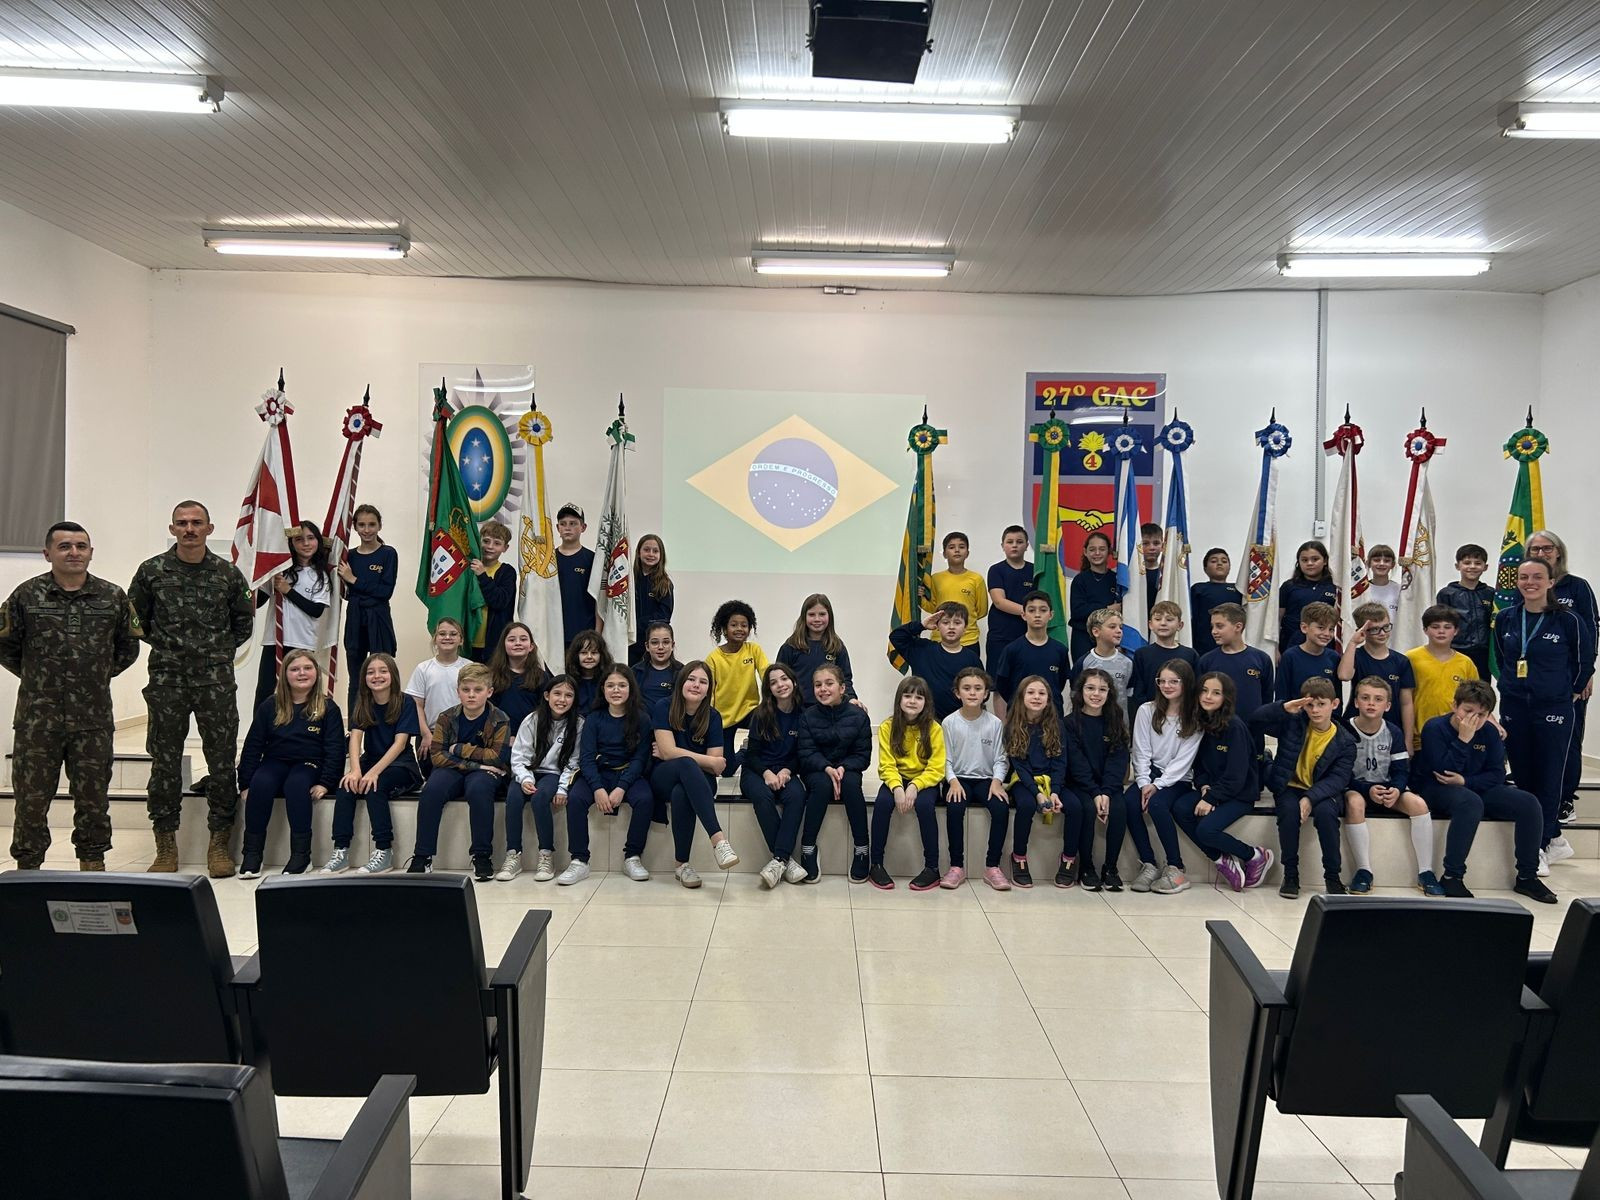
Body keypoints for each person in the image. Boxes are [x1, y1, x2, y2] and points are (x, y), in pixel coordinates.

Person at [1, 521, 140, 871]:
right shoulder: (26, 596)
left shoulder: (112, 597)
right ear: (48, 554)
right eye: (64, 546)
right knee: (31, 802)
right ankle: (28, 872)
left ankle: (92, 867)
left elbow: (127, 649)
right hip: (37, 721)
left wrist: (93, 677)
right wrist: (38, 677)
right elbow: (5, 646)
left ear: (91, 553)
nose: (74, 552)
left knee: (93, 801)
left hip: (92, 720)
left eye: (81, 546)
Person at [130, 500, 255, 876]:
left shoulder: (227, 574)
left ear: (209, 528)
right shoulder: (151, 571)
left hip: (215, 681)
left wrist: (213, 652)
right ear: (172, 529)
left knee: (221, 763)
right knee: (164, 763)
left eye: (196, 522)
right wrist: (172, 647)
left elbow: (243, 623)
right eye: (182, 523)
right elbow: (136, 620)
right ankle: (165, 846)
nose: (189, 529)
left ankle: (219, 845)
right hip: (167, 680)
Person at [1412, 680, 1553, 903]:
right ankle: (1452, 876)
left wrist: (1466, 780)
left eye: (1481, 714)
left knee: (1529, 803)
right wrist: (1463, 739)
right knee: (1470, 803)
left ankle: (1527, 876)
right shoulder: (1435, 728)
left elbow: (1497, 774)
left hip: (1473, 785)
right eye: (1467, 711)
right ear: (1454, 706)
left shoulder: (1489, 732)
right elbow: (1443, 771)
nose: (1473, 719)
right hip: (1435, 787)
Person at [1492, 554, 1585, 874]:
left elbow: (1583, 661)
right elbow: (1502, 657)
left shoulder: (1568, 620)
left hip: (1553, 707)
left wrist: (1569, 691)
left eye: (1536, 577)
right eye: (1524, 577)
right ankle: (1551, 836)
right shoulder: (1506, 618)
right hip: (1515, 705)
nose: (1529, 583)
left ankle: (1541, 844)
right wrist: (1511, 686)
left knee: (1549, 775)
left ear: (1551, 582)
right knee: (1523, 774)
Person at [237, 649, 344, 878]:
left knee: (296, 785)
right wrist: (245, 782)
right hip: (275, 761)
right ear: (284, 674)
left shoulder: (328, 708)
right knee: (261, 783)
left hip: (309, 764)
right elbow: (253, 745)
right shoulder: (270, 705)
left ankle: (301, 856)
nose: (301, 673)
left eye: (307, 668)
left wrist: (326, 782)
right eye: (295, 669)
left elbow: (335, 749)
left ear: (316, 673)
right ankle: (252, 854)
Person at [1250, 678, 1355, 899]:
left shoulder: (1345, 741)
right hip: (1288, 785)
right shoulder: (1293, 722)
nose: (1315, 710)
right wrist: (1283, 708)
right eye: (1310, 705)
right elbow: (1255, 720)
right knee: (1288, 813)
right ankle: (1290, 875)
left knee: (1327, 815)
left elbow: (1338, 778)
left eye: (1321, 704)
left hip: (1322, 790)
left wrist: (1309, 798)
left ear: (1334, 704)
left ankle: (1333, 877)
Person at [407, 662, 510, 880]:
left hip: (483, 773)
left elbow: (497, 757)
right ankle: (422, 856)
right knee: (432, 790)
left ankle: (482, 856)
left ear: (489, 692)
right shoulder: (446, 717)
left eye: (478, 690)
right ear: (458, 691)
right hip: (457, 768)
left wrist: (459, 749)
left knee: (479, 790)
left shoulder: (500, 718)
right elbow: (437, 756)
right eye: (466, 689)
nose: (471, 695)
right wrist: (477, 764)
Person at [322, 652, 421, 875]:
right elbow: (355, 738)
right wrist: (355, 770)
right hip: (371, 760)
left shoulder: (405, 702)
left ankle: (384, 851)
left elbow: (399, 744)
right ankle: (340, 850)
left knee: (375, 786)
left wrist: (373, 773)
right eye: (370, 672)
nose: (377, 676)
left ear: (393, 675)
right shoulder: (363, 701)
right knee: (345, 786)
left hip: (401, 765)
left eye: (383, 671)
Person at [1175, 672, 1274, 893]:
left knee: (1206, 830)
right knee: (1180, 807)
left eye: (1216, 693)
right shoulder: (1201, 722)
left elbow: (1236, 776)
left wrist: (1211, 798)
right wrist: (1204, 786)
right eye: (1204, 691)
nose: (1208, 696)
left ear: (1226, 697)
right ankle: (1220, 858)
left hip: (1239, 795)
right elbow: (1198, 765)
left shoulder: (1235, 727)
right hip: (1213, 789)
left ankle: (1254, 855)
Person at [1341, 676, 1441, 896]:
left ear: (1387, 706)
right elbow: (1340, 774)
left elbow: (1401, 770)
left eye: (1378, 699)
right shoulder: (1344, 730)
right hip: (1357, 789)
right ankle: (1364, 871)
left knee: (1418, 804)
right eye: (1365, 698)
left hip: (1387, 789)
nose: (1371, 703)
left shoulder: (1393, 731)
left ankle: (1426, 872)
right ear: (1356, 702)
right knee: (1354, 803)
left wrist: (1396, 789)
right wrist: (1366, 790)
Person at [1526, 530, 1598, 825]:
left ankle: (1565, 798)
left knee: (1567, 741)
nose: (1541, 553)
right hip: (1531, 680)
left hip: (1569, 680)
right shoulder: (1526, 585)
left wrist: (1587, 674)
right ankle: (1534, 792)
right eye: (1535, 549)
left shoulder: (1577, 586)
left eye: (1547, 548)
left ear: (1558, 552)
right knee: (1530, 736)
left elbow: (1591, 631)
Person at [655, 660, 740, 888]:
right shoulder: (664, 706)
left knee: (682, 791)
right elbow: (670, 753)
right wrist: (707, 760)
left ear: (708, 689)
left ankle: (681, 865)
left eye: (703, 682)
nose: (696, 685)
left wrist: (675, 753)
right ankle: (718, 840)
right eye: (691, 679)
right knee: (686, 765)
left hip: (700, 781)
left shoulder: (713, 716)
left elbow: (717, 768)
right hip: (664, 775)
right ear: (681, 682)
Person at [1124, 660, 1201, 895]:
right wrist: (1144, 782)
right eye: (1162, 681)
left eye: (1173, 681)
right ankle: (1148, 863)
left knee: (1157, 805)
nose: (1166, 686)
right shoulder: (1146, 710)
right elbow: (1141, 750)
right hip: (1150, 774)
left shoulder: (1195, 716)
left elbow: (1184, 760)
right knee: (1129, 802)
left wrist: (1157, 785)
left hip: (1178, 778)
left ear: (1186, 683)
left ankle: (1176, 867)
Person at [573, 664, 656, 881]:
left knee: (645, 799)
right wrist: (598, 788)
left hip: (629, 773)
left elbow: (640, 759)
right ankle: (579, 860)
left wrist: (621, 787)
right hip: (599, 773)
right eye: (610, 685)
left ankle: (632, 857)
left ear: (631, 689)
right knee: (576, 798)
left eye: (622, 685)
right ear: (603, 689)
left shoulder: (642, 719)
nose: (616, 690)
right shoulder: (593, 719)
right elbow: (586, 758)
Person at [504, 674, 586, 884]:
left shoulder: (578, 724)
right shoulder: (532, 720)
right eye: (557, 693)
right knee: (513, 797)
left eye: (568, 695)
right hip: (528, 771)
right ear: (547, 695)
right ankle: (513, 854)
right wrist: (525, 779)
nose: (562, 699)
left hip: (554, 774)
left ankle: (546, 855)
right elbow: (519, 756)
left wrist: (562, 789)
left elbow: (574, 762)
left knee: (540, 799)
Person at [868, 676, 947, 891]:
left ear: (926, 702)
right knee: (882, 803)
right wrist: (897, 787)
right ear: (899, 699)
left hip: (925, 780)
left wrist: (914, 786)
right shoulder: (887, 726)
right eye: (907, 695)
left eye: (919, 697)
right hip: (897, 777)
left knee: (925, 805)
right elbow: (886, 764)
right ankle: (876, 864)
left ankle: (932, 868)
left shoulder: (934, 728)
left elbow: (936, 767)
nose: (912, 701)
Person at [798, 663, 872, 882]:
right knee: (821, 785)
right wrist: (827, 767)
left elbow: (862, 755)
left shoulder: (859, 716)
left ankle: (862, 848)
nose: (823, 689)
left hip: (847, 767)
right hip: (817, 768)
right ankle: (808, 847)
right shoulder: (807, 716)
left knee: (851, 785)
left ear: (842, 688)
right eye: (818, 685)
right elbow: (806, 752)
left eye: (829, 683)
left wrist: (843, 767)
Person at [939, 666, 1010, 890]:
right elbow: (944, 759)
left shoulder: (995, 723)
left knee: (1000, 808)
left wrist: (997, 781)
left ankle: (992, 867)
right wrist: (952, 781)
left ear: (986, 693)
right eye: (967, 688)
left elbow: (1001, 759)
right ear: (957, 693)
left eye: (978, 688)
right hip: (958, 779)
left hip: (986, 780)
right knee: (955, 807)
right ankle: (956, 867)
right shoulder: (949, 722)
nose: (972, 693)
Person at [743, 663, 813, 887]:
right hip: (757, 770)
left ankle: (778, 861)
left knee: (797, 796)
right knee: (762, 797)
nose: (780, 685)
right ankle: (785, 860)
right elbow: (751, 755)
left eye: (784, 679)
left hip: (786, 770)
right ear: (769, 689)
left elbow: (802, 753)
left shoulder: (805, 714)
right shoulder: (761, 714)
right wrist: (766, 773)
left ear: (793, 682)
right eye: (773, 682)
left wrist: (787, 770)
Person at [1065, 667, 1132, 892]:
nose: (1096, 694)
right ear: (1080, 691)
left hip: (1108, 786)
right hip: (1081, 785)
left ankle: (1110, 868)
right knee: (1087, 809)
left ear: (1109, 693)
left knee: (1120, 809)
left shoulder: (1115, 720)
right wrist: (1095, 792)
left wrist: (1106, 791)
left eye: (1102, 689)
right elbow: (1076, 763)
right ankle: (1086, 867)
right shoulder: (1070, 723)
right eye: (1090, 688)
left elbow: (1118, 759)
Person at [254, 520, 332, 706]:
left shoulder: (320, 576)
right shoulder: (280, 571)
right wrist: (256, 578)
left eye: (311, 538)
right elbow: (257, 602)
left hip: (302, 642)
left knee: (299, 693)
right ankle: (261, 725)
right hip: (275, 640)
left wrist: (288, 590)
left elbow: (316, 610)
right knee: (265, 691)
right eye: (299, 539)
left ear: (318, 541)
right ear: (291, 543)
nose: (306, 543)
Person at [1001, 675, 1069, 889]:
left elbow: (1060, 762)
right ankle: (1019, 857)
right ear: (1021, 697)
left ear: (1048, 699)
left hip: (1053, 781)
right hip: (1024, 781)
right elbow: (1020, 766)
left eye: (1041, 693)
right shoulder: (1012, 726)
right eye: (1031, 692)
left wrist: (1054, 792)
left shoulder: (1057, 725)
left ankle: (1068, 860)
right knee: (1026, 805)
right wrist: (1038, 794)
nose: (1036, 697)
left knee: (1075, 807)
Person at [1198, 601, 1274, 764]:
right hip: (1216, 734)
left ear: (1238, 626)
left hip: (1252, 733)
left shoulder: (1261, 659)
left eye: (1219, 626)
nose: (1214, 631)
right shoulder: (1207, 661)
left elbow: (1267, 699)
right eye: (1212, 626)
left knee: (1253, 778)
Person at [338, 504, 398, 710]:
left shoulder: (388, 554)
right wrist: (357, 586)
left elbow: (385, 592)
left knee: (383, 675)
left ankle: (387, 721)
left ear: (379, 526)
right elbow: (347, 593)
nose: (366, 530)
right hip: (355, 619)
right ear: (354, 527)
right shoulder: (349, 556)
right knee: (356, 679)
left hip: (378, 620)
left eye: (372, 524)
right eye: (362, 525)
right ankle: (355, 725)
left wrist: (354, 580)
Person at [1336, 602, 1416, 747]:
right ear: (1362, 631)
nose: (1382, 633)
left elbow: (1406, 703)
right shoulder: (1356, 656)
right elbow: (1344, 675)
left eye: (1386, 627)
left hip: (1391, 728)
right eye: (1375, 629)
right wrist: (1353, 642)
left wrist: (1408, 740)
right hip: (1356, 728)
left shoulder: (1401, 661)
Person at [889, 601, 983, 721]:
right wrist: (921, 625)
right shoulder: (922, 650)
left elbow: (981, 690)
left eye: (957, 623)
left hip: (959, 721)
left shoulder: (971, 658)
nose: (951, 627)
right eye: (945, 622)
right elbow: (896, 637)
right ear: (937, 626)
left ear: (965, 628)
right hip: (924, 720)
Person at [707, 599, 769, 775]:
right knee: (726, 771)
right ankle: (744, 751)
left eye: (744, 625)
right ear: (724, 629)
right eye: (734, 625)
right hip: (724, 717)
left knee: (768, 720)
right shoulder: (713, 658)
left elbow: (766, 673)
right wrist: (709, 717)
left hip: (750, 711)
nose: (739, 629)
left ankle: (756, 753)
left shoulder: (754, 650)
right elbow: (709, 691)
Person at [1405, 605, 1479, 748]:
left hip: (1457, 735)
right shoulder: (1411, 658)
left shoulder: (1466, 663)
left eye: (1447, 627)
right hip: (1420, 738)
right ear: (1425, 630)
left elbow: (1477, 700)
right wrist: (1407, 740)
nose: (1441, 631)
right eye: (1435, 627)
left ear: (1456, 631)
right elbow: (1404, 701)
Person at [991, 590, 1073, 718]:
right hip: (1020, 716)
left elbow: (1060, 682)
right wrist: (1018, 701)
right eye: (1031, 610)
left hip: (1052, 715)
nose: (1037, 615)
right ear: (1023, 615)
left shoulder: (1060, 650)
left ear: (1051, 615)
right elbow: (1002, 684)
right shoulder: (1012, 650)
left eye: (1043, 610)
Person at [777, 593, 859, 706]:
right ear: (804, 617)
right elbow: (780, 679)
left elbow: (845, 678)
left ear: (829, 616)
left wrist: (851, 698)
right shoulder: (790, 646)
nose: (817, 619)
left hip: (829, 708)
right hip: (798, 708)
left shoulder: (836, 646)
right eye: (811, 614)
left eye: (822, 614)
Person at [405, 618, 467, 761]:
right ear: (435, 639)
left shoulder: (468, 668)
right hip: (430, 735)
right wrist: (426, 735)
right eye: (442, 634)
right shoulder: (423, 669)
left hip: (462, 735)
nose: (447, 637)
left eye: (453, 634)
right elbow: (417, 705)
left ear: (461, 640)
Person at [1437, 542, 1494, 681]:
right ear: (1458, 566)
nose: (1472, 567)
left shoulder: (1491, 593)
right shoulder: (1447, 594)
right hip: (1457, 651)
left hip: (1484, 654)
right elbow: (1442, 624)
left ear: (1485, 567)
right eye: (1467, 563)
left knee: (1481, 690)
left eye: (1478, 563)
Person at [1128, 599, 1199, 710]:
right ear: (1150, 624)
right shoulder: (1142, 654)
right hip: (1150, 712)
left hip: (1183, 712)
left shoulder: (1190, 654)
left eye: (1169, 619)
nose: (1163, 623)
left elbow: (1194, 687)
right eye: (1158, 619)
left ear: (1180, 625)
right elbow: (1139, 690)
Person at [925, 531, 987, 654]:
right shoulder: (935, 579)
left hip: (968, 639)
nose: (957, 550)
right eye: (952, 547)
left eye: (962, 547)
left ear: (967, 553)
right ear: (944, 553)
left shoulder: (976, 579)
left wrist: (962, 623)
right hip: (940, 638)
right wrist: (920, 598)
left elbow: (981, 611)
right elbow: (933, 608)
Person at [467, 520, 518, 663]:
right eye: (486, 541)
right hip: (468, 641)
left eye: (497, 543)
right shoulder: (468, 568)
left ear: (505, 548)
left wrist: (482, 576)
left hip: (494, 645)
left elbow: (499, 601)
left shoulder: (507, 572)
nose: (490, 546)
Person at [488, 621, 552, 734]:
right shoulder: (492, 675)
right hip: (499, 735)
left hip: (531, 734)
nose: (518, 643)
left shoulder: (541, 676)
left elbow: (545, 711)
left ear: (531, 646)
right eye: (512, 640)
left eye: (523, 639)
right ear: (503, 645)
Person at [1277, 539, 1339, 653]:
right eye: (1304, 560)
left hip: (1325, 645)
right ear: (1299, 562)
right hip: (1291, 643)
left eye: (1315, 559)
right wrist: (1275, 649)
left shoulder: (1335, 586)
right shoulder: (1289, 586)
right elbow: (1277, 619)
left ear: (1325, 561)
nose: (1309, 563)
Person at [1068, 530, 1120, 664]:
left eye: (1102, 549)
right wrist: (1107, 608)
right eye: (1092, 549)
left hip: (1109, 637)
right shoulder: (1080, 580)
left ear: (1109, 552)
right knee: (1083, 674)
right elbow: (1078, 611)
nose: (1097, 553)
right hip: (1083, 637)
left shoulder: (1116, 579)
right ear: (1085, 552)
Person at [986, 526, 1034, 667]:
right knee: (997, 676)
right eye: (1010, 542)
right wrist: (1030, 612)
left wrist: (1033, 614)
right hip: (1000, 635)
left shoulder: (1035, 570)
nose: (1014, 545)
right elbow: (999, 601)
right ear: (1003, 546)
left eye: (1019, 542)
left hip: (1028, 634)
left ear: (1027, 545)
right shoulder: (996, 570)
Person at [1275, 600, 1340, 704]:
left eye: (1331, 629)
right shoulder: (1290, 657)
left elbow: (1337, 695)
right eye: (1321, 628)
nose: (1327, 634)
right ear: (1304, 628)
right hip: (1295, 713)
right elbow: (1281, 696)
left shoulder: (1334, 657)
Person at [1077, 607, 1133, 719]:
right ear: (1096, 632)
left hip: (1119, 724)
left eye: (1120, 627)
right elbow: (1076, 695)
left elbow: (1130, 695)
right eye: (1112, 627)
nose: (1119, 631)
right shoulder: (1084, 662)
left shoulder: (1128, 663)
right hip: (1089, 723)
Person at [555, 503, 596, 649]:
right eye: (563, 524)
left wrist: (597, 635)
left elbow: (599, 601)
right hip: (554, 634)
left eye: (573, 523)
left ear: (583, 527)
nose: (567, 528)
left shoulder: (592, 559)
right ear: (557, 528)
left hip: (584, 635)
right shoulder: (548, 561)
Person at [629, 534, 674, 668]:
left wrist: (637, 625)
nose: (651, 554)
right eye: (646, 550)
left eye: (655, 551)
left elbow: (664, 616)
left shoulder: (664, 583)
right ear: (638, 553)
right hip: (629, 642)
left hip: (653, 643)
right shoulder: (628, 580)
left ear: (661, 555)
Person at [1189, 548, 1243, 659]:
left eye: (1224, 561)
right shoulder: (1198, 589)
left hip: (1233, 644)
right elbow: (1192, 618)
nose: (1219, 563)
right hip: (1204, 644)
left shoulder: (1238, 590)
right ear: (1205, 568)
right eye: (1214, 561)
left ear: (1229, 567)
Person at [632, 620, 680, 724]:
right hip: (641, 727)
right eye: (654, 642)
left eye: (666, 642)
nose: (660, 647)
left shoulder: (682, 672)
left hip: (672, 727)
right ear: (647, 646)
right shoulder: (635, 672)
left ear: (672, 645)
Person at [565, 629, 612, 713]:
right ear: (576, 655)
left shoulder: (608, 680)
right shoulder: (568, 681)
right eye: (584, 653)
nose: (589, 657)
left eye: (594, 653)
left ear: (602, 655)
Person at [1363, 545, 1401, 627]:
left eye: (1387, 561)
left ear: (1393, 564)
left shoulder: (1400, 590)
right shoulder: (1362, 590)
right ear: (1368, 563)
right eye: (1376, 560)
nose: (1381, 563)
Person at [1139, 522, 1165, 609]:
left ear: (1163, 546)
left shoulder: (1166, 574)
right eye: (1145, 543)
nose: (1151, 548)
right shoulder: (1130, 574)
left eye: (1156, 543)